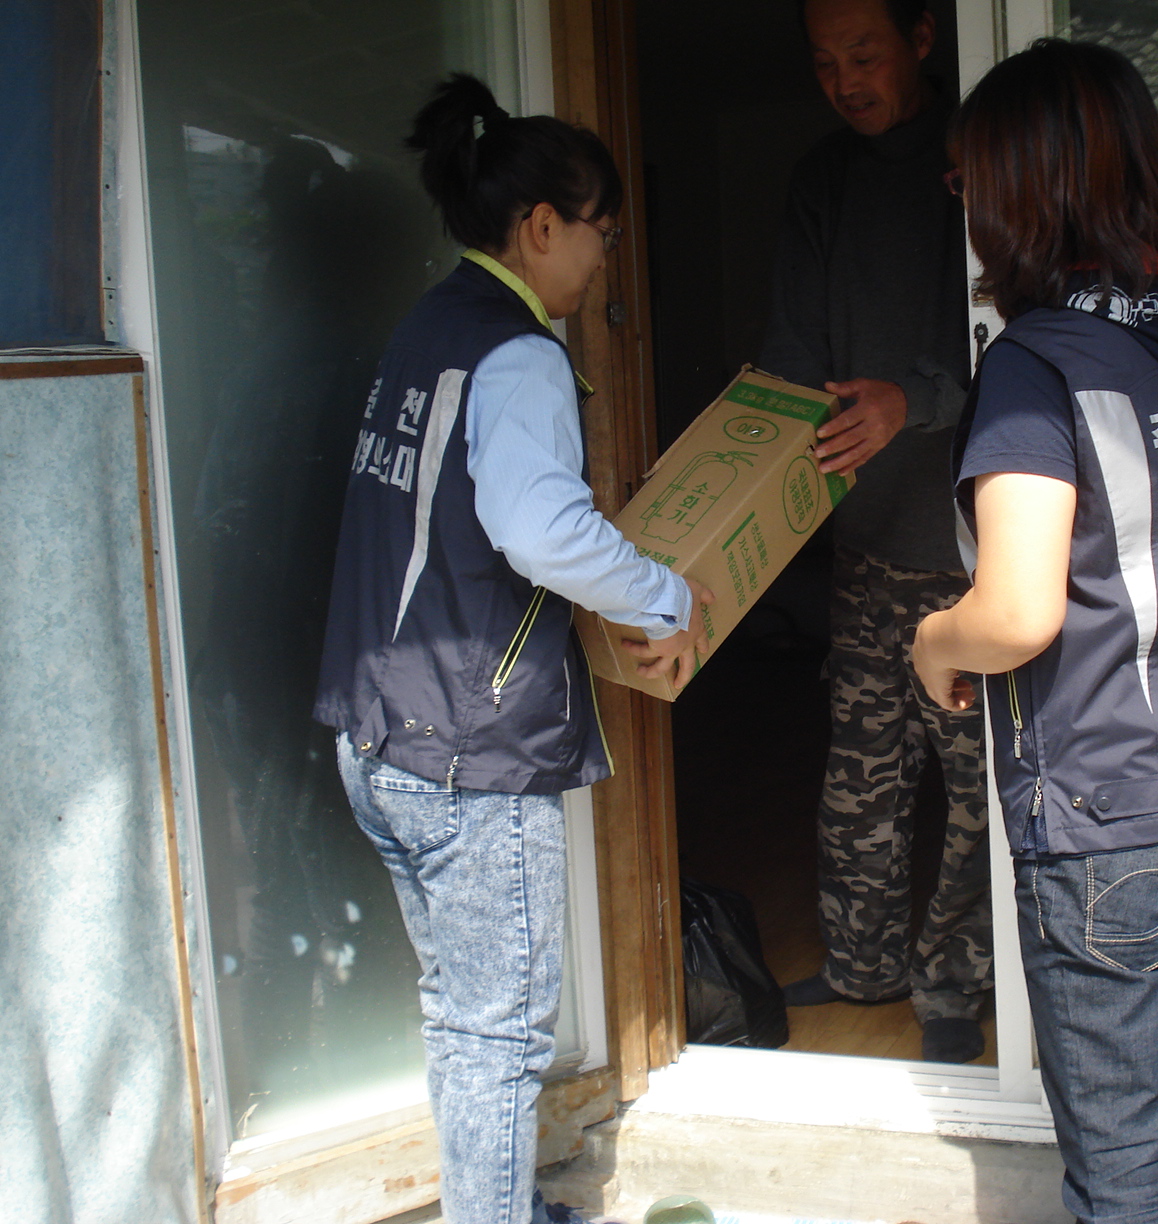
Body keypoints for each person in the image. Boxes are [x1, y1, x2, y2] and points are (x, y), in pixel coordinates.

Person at [313, 74, 709, 1224]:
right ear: (542, 226)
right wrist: (666, 595)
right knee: (498, 1036)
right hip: (468, 757)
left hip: (380, 736)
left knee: (462, 1019)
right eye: (602, 235)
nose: (604, 261)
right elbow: (540, 531)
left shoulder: (429, 326)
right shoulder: (518, 354)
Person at [914, 40, 1158, 1224]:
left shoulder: (1039, 366)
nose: (963, 204)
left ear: (1022, 189)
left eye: (970, 179)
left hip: (1116, 813)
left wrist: (934, 642)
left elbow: (1016, 612)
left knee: (1123, 1162)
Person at [760, 0, 992, 1065]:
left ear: (922, 41)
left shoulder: (975, 160)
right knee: (861, 771)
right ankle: (861, 967)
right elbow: (791, 353)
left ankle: (953, 985)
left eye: (864, 55)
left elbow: (1016, 339)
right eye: (824, 62)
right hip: (863, 536)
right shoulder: (825, 179)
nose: (845, 81)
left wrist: (915, 399)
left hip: (972, 546)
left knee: (978, 785)